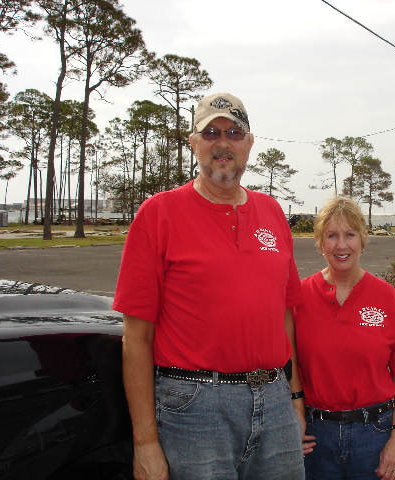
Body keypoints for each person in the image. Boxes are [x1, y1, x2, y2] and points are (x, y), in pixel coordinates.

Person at [113, 92, 307, 480]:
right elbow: (136, 338)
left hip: (274, 398)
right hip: (195, 406)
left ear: (249, 143)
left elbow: (284, 319)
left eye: (234, 133)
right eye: (211, 132)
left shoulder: (271, 213)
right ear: (194, 143)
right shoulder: (158, 214)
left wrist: (295, 398)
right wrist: (145, 442)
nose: (223, 143)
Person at [294, 197, 395, 480]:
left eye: (350, 234)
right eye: (332, 236)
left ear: (363, 239)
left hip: (374, 435)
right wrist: (296, 417)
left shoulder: (385, 296)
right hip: (316, 438)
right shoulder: (299, 297)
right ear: (319, 242)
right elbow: (290, 371)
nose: (341, 245)